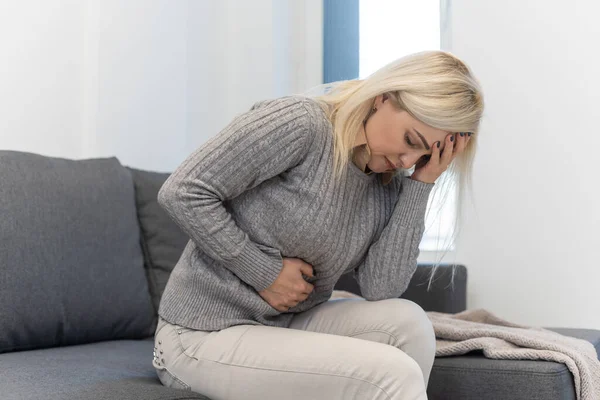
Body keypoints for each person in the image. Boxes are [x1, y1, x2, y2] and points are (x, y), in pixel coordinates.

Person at [152, 50, 484, 400]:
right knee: (392, 374)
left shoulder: (390, 180)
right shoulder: (303, 123)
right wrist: (266, 272)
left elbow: (381, 288)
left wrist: (422, 183)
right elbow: (183, 190)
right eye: (411, 141)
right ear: (383, 98)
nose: (407, 160)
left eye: (426, 156)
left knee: (411, 325)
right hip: (200, 333)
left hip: (285, 323)